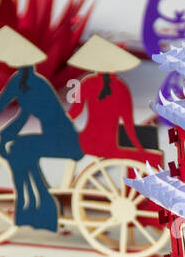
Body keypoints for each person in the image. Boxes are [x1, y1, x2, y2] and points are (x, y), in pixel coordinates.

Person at [0, 27, 82, 233]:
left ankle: (32, 207)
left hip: (61, 139)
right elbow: (14, 114)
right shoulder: (30, 82)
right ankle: (34, 206)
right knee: (19, 149)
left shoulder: (27, 83)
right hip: (59, 135)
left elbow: (7, 112)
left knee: (18, 150)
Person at [66, 35, 160, 167]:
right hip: (109, 141)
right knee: (150, 150)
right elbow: (128, 123)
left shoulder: (87, 83)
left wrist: (60, 125)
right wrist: (138, 146)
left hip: (88, 139)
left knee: (146, 139)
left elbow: (74, 112)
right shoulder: (121, 87)